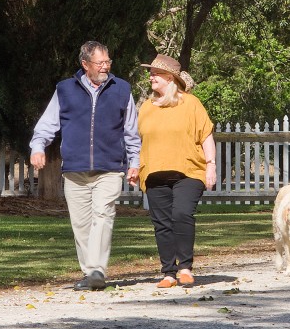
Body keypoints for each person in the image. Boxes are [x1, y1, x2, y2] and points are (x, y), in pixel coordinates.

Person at [30, 41, 140, 291]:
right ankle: (90, 272)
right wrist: (38, 147)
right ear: (85, 64)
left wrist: (135, 162)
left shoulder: (121, 89)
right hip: (75, 170)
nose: (105, 67)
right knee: (80, 224)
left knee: (103, 215)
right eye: (100, 63)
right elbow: (48, 124)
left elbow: (131, 131)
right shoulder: (65, 89)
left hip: (109, 168)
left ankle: (97, 270)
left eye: (108, 62)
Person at [137, 55, 216, 288]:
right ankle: (168, 273)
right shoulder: (146, 107)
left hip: (189, 171)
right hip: (154, 172)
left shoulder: (191, 103)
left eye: (155, 73)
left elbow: (206, 135)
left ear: (169, 78)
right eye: (150, 72)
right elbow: (137, 139)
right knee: (161, 223)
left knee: (181, 214)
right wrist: (134, 166)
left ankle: (185, 268)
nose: (151, 76)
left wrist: (211, 166)